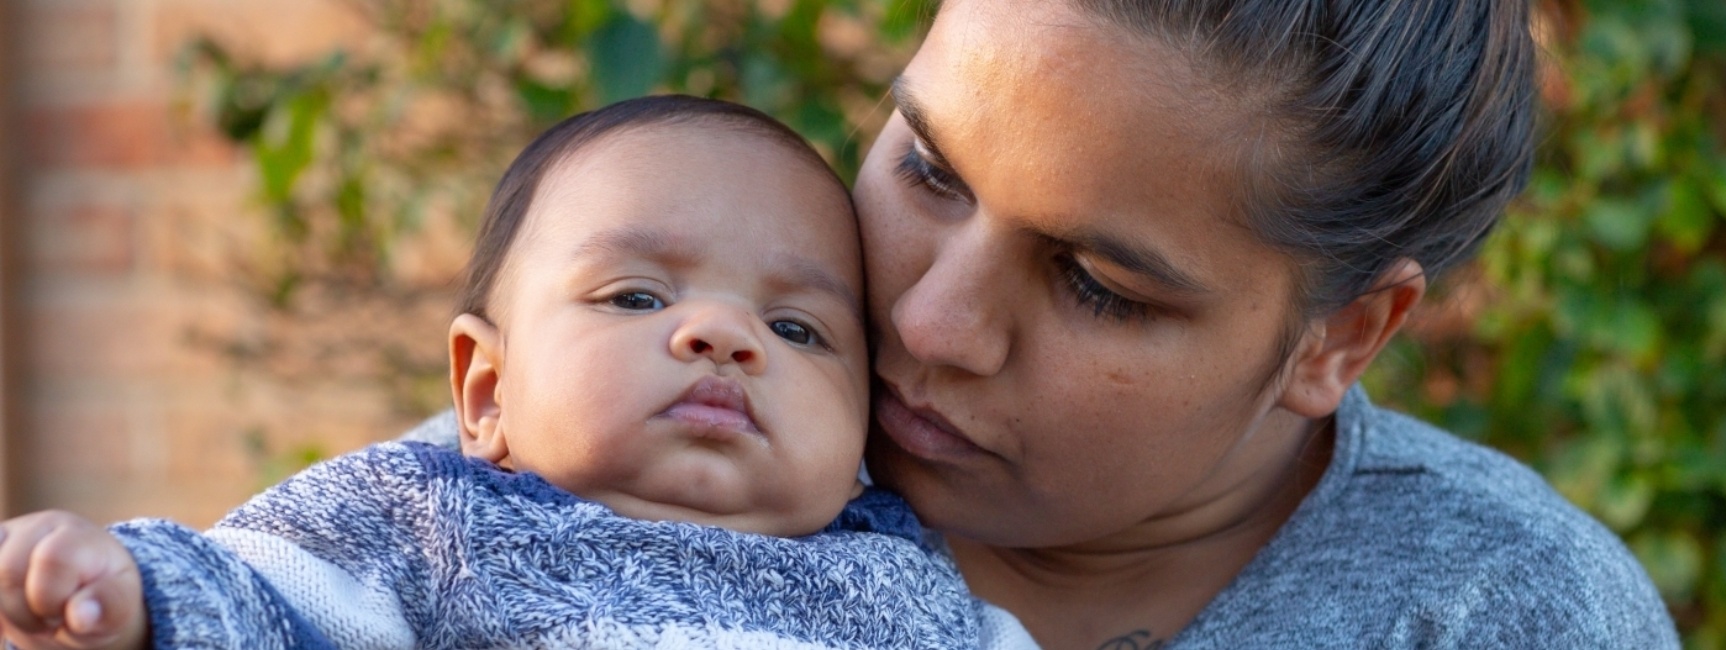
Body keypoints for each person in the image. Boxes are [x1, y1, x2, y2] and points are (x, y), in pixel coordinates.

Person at [0, 95, 1036, 650]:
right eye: (636, 297)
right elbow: (265, 592)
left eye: (799, 328)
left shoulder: (911, 579)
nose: (724, 334)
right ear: (486, 392)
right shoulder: (432, 517)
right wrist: (131, 592)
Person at [848, 0, 1678, 646]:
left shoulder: (1497, 615)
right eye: (929, 170)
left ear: (1342, 336)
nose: (930, 325)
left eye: (1098, 286)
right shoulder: (728, 398)